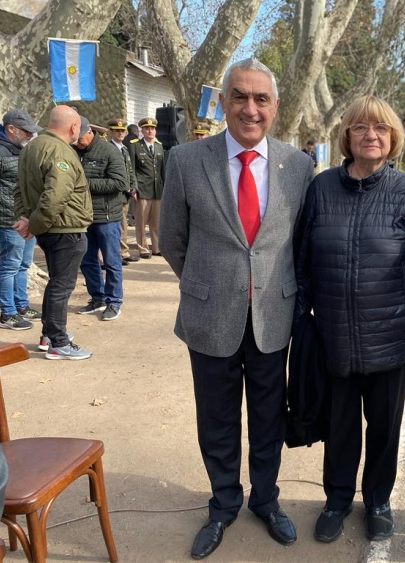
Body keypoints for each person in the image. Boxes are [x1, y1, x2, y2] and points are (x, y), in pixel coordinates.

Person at [159, 57, 314, 559]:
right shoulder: (184, 160)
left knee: (268, 416)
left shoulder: (300, 166)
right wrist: (213, 285)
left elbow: (300, 244)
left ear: (276, 107)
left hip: (274, 318)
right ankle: (224, 503)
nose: (250, 108)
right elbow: (172, 241)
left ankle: (265, 500)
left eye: (261, 99)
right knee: (217, 419)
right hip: (210, 316)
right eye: (240, 97)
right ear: (222, 102)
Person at [294, 95, 405, 544]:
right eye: (361, 127)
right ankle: (337, 499)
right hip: (334, 338)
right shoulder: (321, 190)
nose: (371, 135)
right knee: (340, 429)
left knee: (384, 428)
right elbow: (302, 263)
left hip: (393, 341)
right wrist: (302, 323)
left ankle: (378, 500)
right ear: (347, 136)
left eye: (380, 128)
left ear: (393, 137)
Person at [14, 105, 93, 360]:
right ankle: (58, 341)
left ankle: (49, 335)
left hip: (51, 228)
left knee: (56, 283)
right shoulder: (60, 151)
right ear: (73, 127)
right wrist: (33, 224)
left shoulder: (31, 148)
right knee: (62, 285)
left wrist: (27, 219)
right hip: (65, 228)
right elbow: (55, 196)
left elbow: (19, 189)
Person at [73, 116, 128, 321]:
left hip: (106, 216)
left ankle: (114, 301)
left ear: (89, 132)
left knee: (112, 261)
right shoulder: (74, 151)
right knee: (87, 260)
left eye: (80, 138)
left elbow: (119, 182)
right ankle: (97, 297)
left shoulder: (108, 151)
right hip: (83, 217)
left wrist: (85, 184)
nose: (77, 142)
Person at [0, 109, 42, 331]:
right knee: (10, 266)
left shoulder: (20, 150)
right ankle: (8, 313)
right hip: (8, 221)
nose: (30, 135)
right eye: (26, 132)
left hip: (28, 219)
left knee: (23, 264)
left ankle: (22, 306)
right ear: (11, 129)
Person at [128, 117, 165, 259]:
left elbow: (162, 170)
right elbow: (131, 169)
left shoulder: (159, 146)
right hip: (142, 190)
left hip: (157, 190)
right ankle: (143, 248)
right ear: (142, 130)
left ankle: (156, 247)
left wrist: (165, 188)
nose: (150, 131)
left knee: (157, 222)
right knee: (141, 222)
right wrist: (134, 188)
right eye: (147, 128)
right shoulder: (135, 145)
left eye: (153, 128)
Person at [107, 118, 140, 265]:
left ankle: (124, 252)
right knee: (116, 227)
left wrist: (133, 186)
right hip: (115, 194)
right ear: (111, 132)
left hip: (126, 195)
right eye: (117, 131)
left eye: (122, 131)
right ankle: (117, 254)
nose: (120, 133)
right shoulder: (108, 148)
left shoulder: (124, 149)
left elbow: (130, 170)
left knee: (123, 225)